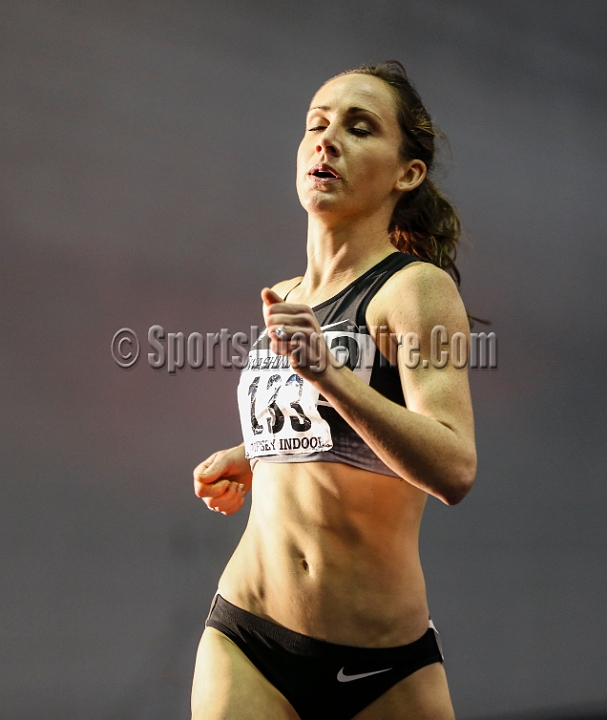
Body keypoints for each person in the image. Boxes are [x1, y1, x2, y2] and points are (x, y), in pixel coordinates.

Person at [191, 61, 477, 720]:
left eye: (358, 127)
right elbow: (325, 426)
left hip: (380, 661)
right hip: (246, 632)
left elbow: (454, 467)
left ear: (407, 173)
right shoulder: (285, 296)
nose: (326, 140)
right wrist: (252, 452)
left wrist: (328, 374)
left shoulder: (415, 290)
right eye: (316, 124)